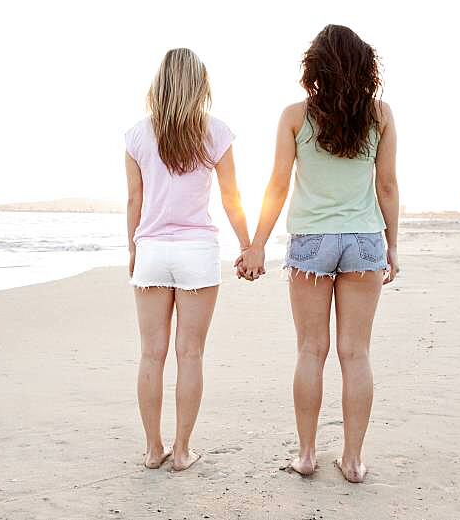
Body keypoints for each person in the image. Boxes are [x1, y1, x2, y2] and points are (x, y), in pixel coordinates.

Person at [238, 25, 400, 483]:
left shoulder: (295, 115)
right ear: (365, 67)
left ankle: (307, 455)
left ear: (315, 67)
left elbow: (277, 185)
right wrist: (392, 245)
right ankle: (351, 461)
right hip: (364, 239)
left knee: (311, 350)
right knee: (356, 354)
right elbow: (386, 186)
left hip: (311, 239)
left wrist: (257, 244)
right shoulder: (380, 115)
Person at [125, 47, 251, 471]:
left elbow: (134, 200)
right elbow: (232, 198)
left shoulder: (138, 135)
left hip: (153, 252)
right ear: (200, 85)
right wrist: (248, 244)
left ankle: (151, 449)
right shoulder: (215, 132)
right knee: (190, 354)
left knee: (151, 355)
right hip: (197, 252)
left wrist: (132, 249)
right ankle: (181, 451)